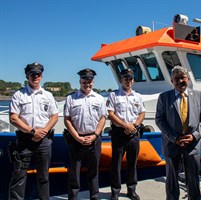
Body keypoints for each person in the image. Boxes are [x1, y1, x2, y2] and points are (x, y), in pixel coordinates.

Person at [155, 66, 201, 200]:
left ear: (188, 79)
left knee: (193, 180)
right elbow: (159, 120)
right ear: (172, 81)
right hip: (172, 144)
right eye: (177, 79)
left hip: (193, 145)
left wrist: (194, 135)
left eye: (183, 78)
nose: (180, 81)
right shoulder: (164, 97)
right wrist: (174, 138)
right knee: (172, 180)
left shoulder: (198, 95)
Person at [8, 62, 59, 199]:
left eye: (38, 74)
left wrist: (44, 131)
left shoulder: (48, 95)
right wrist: (32, 131)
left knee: (44, 177)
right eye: (32, 74)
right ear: (27, 75)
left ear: (41, 76)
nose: (35, 76)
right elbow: (13, 118)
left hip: (44, 141)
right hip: (25, 141)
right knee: (19, 176)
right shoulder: (19, 95)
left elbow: (54, 116)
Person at [64, 68, 107, 200]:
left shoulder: (99, 98)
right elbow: (67, 119)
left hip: (94, 139)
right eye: (84, 81)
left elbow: (102, 118)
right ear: (80, 81)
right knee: (74, 172)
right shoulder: (71, 98)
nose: (87, 84)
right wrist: (77, 137)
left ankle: (94, 196)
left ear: (92, 82)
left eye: (89, 81)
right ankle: (73, 197)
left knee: (93, 172)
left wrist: (95, 135)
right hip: (76, 140)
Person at [106, 69, 145, 200]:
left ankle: (131, 189)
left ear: (133, 80)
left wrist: (135, 125)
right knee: (116, 163)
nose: (128, 81)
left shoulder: (138, 96)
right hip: (119, 133)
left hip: (134, 133)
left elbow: (141, 113)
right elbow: (110, 114)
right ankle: (115, 191)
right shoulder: (114, 95)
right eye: (125, 78)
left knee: (132, 163)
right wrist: (125, 125)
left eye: (130, 78)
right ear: (121, 79)